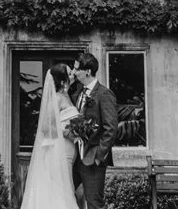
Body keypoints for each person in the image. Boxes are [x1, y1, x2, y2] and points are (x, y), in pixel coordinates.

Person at [20, 61, 82, 209]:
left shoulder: (67, 96)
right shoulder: (57, 98)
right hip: (60, 151)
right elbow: (46, 127)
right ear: (62, 80)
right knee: (61, 189)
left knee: (66, 187)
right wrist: (68, 133)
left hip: (69, 151)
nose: (73, 73)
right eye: (70, 72)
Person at [70, 52, 120, 209]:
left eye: (77, 68)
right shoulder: (77, 93)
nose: (73, 71)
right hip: (74, 159)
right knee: (62, 193)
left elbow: (111, 128)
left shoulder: (104, 94)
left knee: (94, 204)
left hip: (92, 160)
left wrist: (98, 156)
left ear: (88, 71)